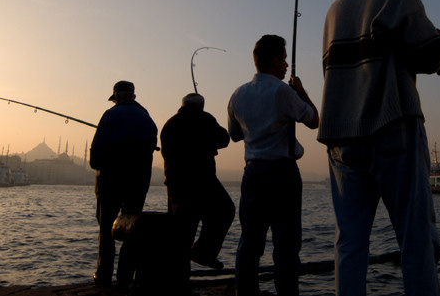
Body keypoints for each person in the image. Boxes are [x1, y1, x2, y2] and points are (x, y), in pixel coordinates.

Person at [318, 0, 440, 296]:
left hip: (341, 140)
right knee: (416, 240)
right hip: (393, 130)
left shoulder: (334, 10)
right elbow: (429, 55)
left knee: (349, 243)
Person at [227, 34, 319, 296]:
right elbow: (314, 120)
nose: (287, 65)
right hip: (283, 175)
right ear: (276, 60)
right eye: (285, 60)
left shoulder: (238, 94)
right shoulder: (284, 91)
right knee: (286, 247)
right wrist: (301, 91)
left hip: (252, 173)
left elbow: (235, 135)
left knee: (249, 244)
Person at [160, 93, 235, 293]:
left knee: (182, 235)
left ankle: (179, 284)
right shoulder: (205, 118)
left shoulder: (169, 124)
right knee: (225, 210)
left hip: (176, 186)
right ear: (201, 105)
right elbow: (224, 139)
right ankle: (204, 252)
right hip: (204, 181)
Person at [89, 80, 158, 287]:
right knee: (131, 227)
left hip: (110, 181)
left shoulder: (110, 115)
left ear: (116, 96)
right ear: (133, 96)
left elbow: (95, 154)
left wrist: (100, 165)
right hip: (138, 182)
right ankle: (125, 277)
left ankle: (103, 276)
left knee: (106, 226)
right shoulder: (147, 119)